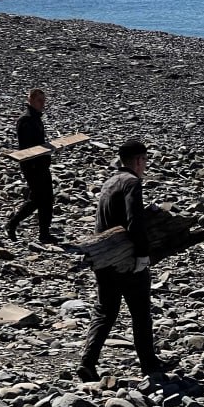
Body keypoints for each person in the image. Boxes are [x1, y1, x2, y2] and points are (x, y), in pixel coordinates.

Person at [77, 139, 174, 381]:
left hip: (104, 257)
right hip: (126, 259)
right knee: (140, 312)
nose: (145, 166)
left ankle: (88, 363)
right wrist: (142, 256)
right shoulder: (132, 183)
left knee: (105, 311)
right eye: (145, 161)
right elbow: (134, 222)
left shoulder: (109, 182)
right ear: (139, 160)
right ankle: (149, 364)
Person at [6, 88, 57, 243]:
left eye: (44, 100)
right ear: (31, 101)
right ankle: (13, 224)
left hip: (41, 163)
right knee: (39, 199)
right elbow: (27, 146)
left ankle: (43, 233)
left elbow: (38, 143)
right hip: (33, 166)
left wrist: (49, 148)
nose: (43, 104)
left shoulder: (35, 118)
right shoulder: (26, 119)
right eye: (39, 100)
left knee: (45, 198)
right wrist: (44, 151)